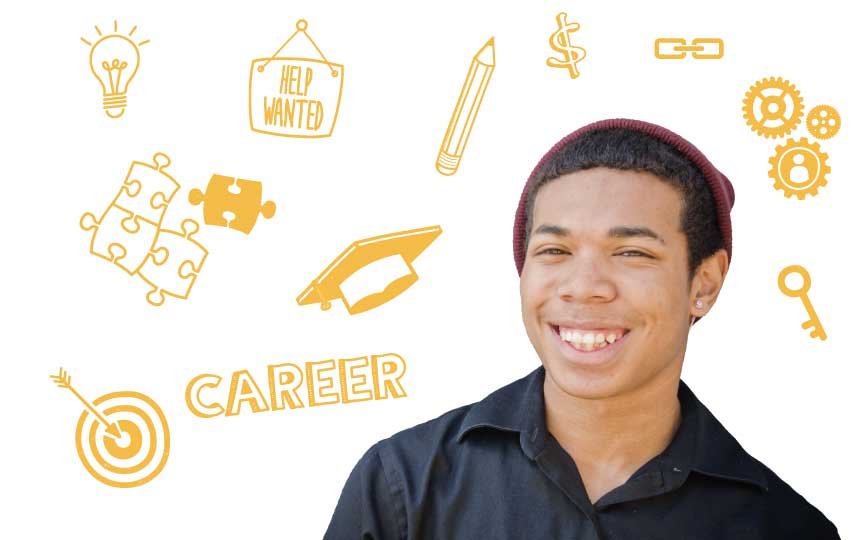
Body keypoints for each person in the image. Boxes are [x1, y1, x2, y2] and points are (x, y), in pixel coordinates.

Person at [323, 118, 841, 539]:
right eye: (554, 251)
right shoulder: (404, 488)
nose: (584, 286)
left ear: (704, 282)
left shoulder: (785, 528)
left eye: (632, 252)